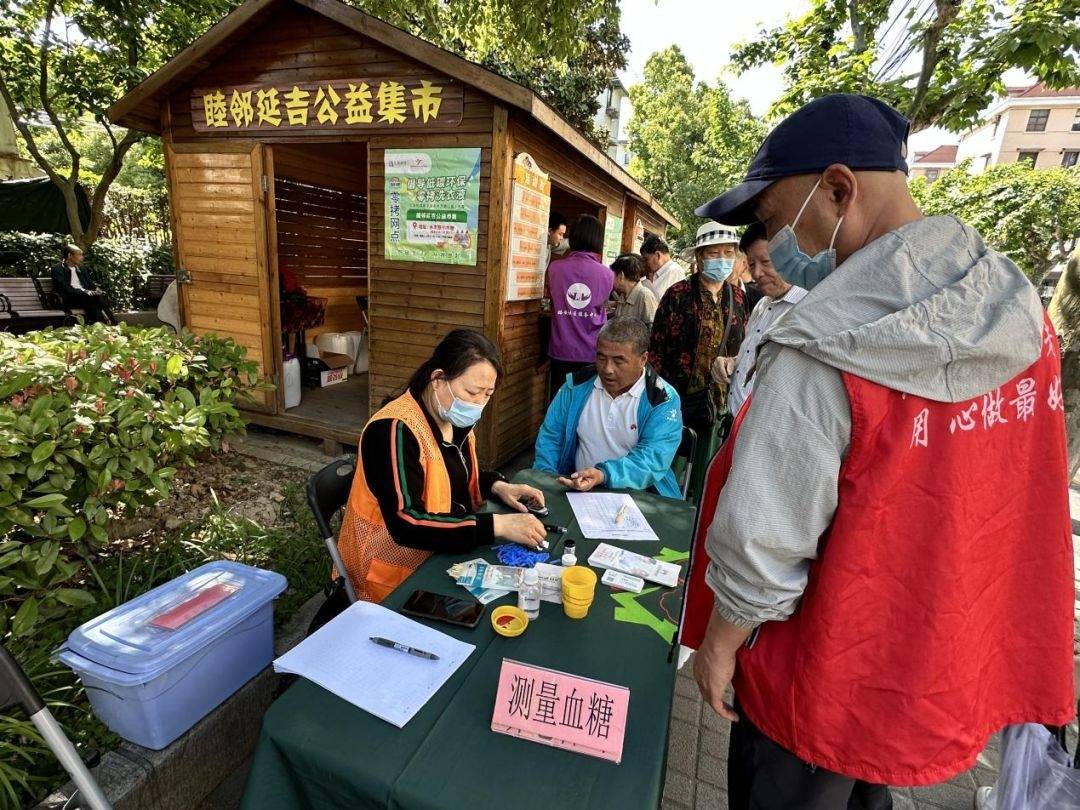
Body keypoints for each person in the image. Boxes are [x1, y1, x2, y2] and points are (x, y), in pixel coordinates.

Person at [683, 94, 1074, 809]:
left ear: (838, 190)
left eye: (773, 220)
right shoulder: (1024, 325)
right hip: (922, 669)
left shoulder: (825, 349)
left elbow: (764, 538)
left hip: (814, 678)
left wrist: (719, 644)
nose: (768, 244)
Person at [336, 329, 548, 603]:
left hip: (439, 554)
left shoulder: (452, 418)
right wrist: (497, 526)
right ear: (438, 379)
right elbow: (406, 524)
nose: (479, 404)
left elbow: (449, 477)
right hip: (389, 577)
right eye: (472, 392)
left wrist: (497, 486)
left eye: (488, 394)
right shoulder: (393, 430)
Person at [648, 222, 750, 501]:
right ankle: (664, 506)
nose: (721, 260)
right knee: (668, 462)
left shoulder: (739, 298)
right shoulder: (677, 295)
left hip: (719, 400)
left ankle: (695, 510)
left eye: (727, 253)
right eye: (713, 253)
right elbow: (656, 347)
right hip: (677, 397)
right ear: (700, 257)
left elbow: (745, 345)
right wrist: (656, 393)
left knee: (708, 464)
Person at [534, 316, 683, 498]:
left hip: (641, 496)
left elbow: (652, 459)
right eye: (601, 358)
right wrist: (546, 479)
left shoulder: (662, 399)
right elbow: (551, 436)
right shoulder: (575, 387)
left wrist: (603, 475)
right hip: (578, 490)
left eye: (618, 361)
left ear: (643, 359)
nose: (607, 369)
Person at [711, 222, 806, 416]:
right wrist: (732, 362)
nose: (757, 273)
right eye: (752, 264)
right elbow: (755, 357)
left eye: (766, 262)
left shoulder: (806, 310)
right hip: (735, 421)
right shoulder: (762, 305)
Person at [546, 214, 614, 401]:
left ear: (573, 238)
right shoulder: (607, 274)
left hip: (561, 350)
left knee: (559, 403)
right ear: (598, 240)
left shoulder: (555, 268)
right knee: (587, 405)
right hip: (591, 352)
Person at [50, 245, 115, 325]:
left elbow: (89, 282)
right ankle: (112, 324)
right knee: (94, 299)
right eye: (79, 255)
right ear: (70, 255)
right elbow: (66, 288)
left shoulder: (81, 268)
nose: (82, 257)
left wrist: (96, 288)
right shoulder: (57, 269)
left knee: (96, 299)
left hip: (85, 298)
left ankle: (99, 325)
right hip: (68, 299)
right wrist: (85, 291)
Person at [610, 253, 659, 324]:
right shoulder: (623, 295)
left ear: (621, 276)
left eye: (613, 276)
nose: (611, 279)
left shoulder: (645, 296)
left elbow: (652, 329)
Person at [640, 234, 684, 303]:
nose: (645, 263)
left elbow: (654, 301)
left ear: (658, 255)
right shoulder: (659, 273)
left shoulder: (674, 271)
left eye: (646, 259)